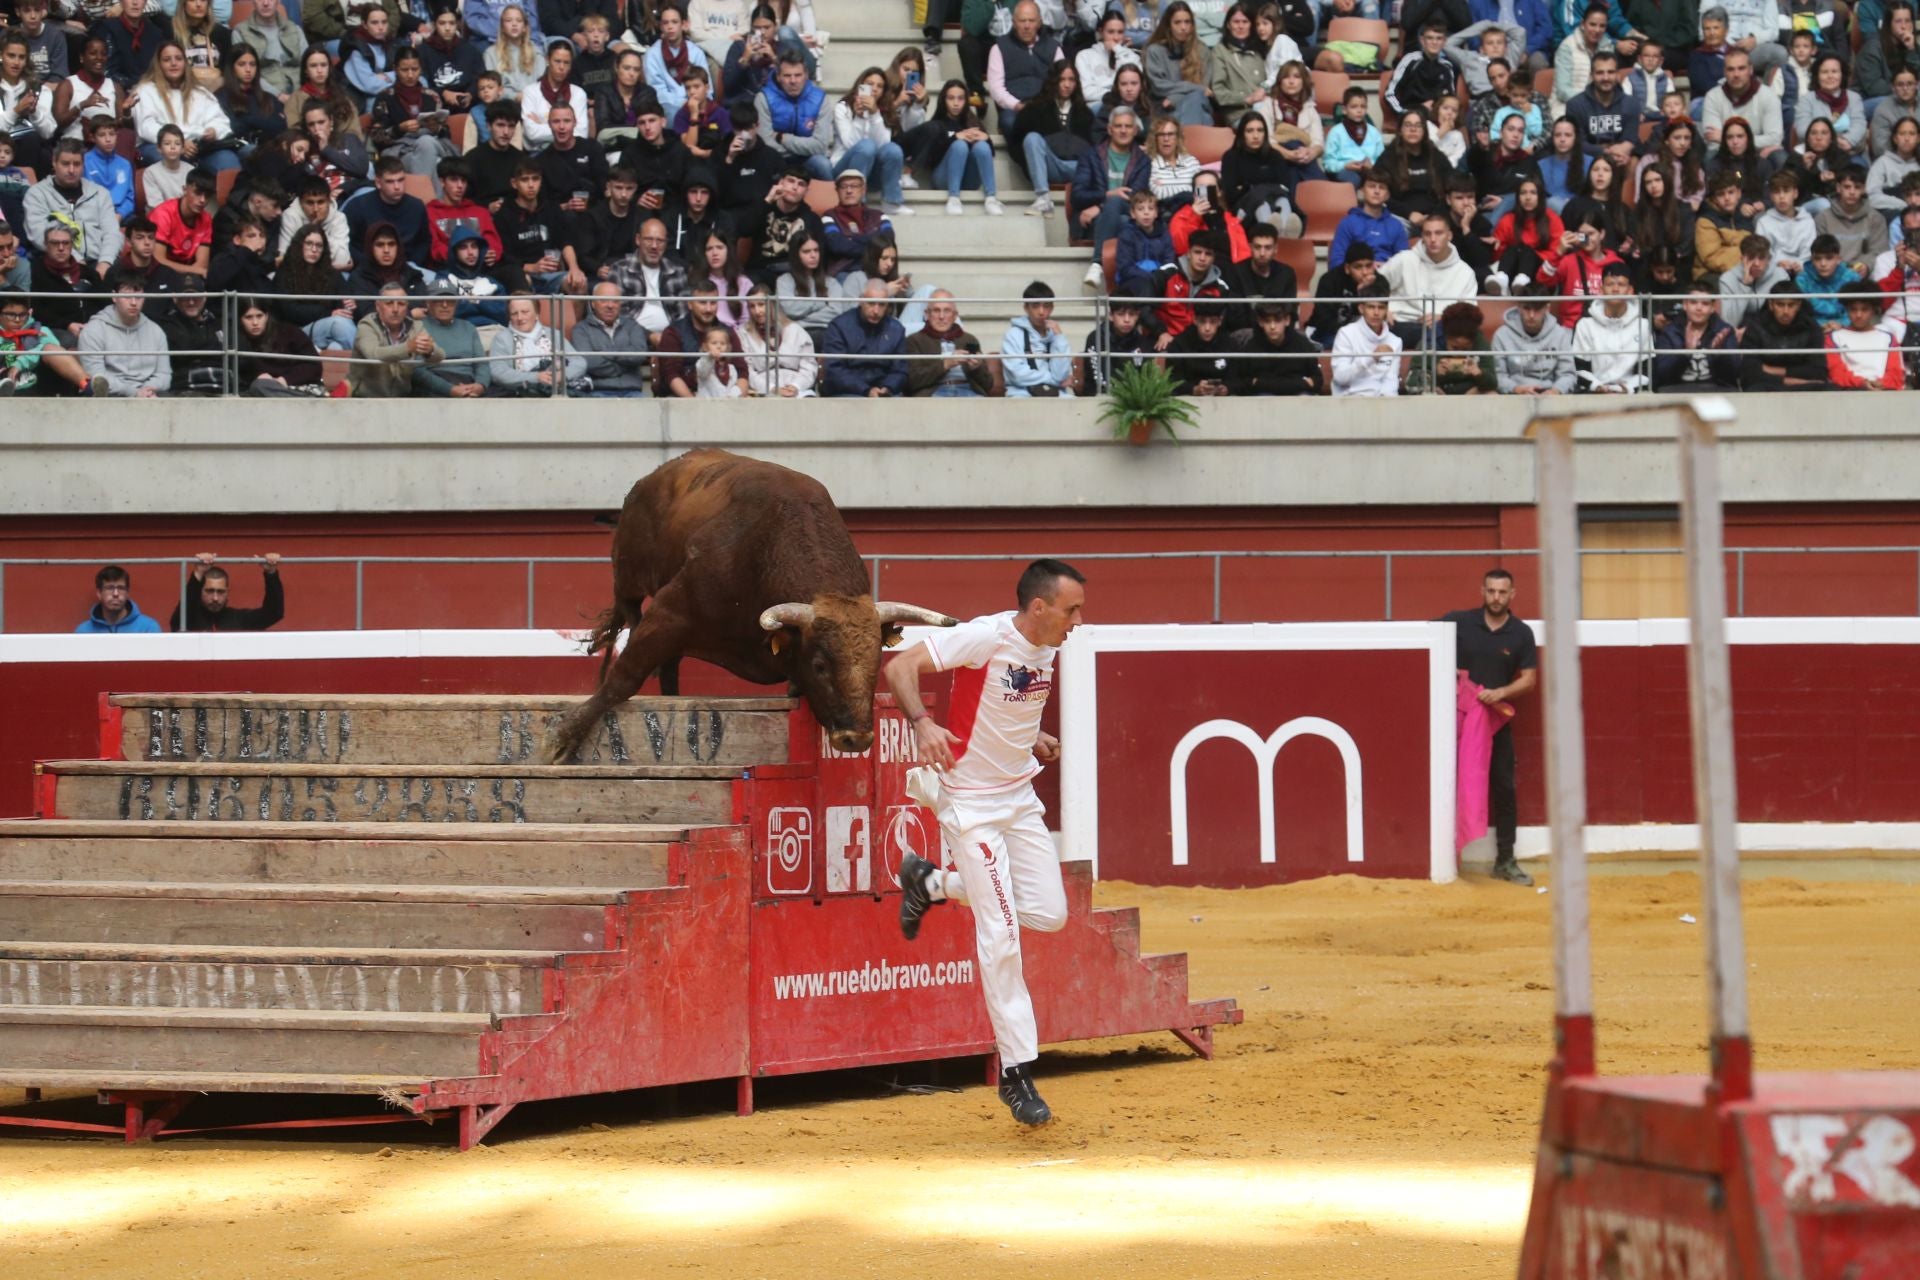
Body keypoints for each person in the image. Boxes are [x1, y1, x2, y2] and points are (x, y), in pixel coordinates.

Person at [889, 558, 1086, 1129]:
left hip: (1018, 797)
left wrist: (1036, 736)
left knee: (1048, 915)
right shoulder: (985, 636)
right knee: (1000, 934)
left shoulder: (1046, 647)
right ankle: (1017, 1070)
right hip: (972, 805)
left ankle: (930, 882)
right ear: (1040, 607)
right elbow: (902, 667)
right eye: (1071, 609)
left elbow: (1005, 706)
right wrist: (922, 723)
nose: (1078, 621)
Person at [1438, 568, 1538, 885]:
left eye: (1502, 592)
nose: (1496, 597)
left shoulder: (1521, 633)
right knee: (1446, 784)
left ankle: (1505, 860)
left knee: (1504, 787)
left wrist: (1501, 693)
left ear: (1512, 595)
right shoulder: (1459, 622)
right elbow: (1425, 644)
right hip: (1455, 720)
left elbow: (1529, 680)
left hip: (1494, 722)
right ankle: (1440, 856)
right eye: (1491, 591)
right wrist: (1446, 666)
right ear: (1482, 591)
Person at [23, 138, 122, 272]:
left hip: (100, 264)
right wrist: (77, 261)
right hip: (58, 264)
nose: (71, 170)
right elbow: (39, 234)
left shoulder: (100, 193)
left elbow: (112, 232)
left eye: (77, 164)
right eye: (65, 164)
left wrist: (104, 263)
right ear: (54, 162)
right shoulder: (37, 194)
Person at [1012, 62, 1093, 217]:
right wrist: (1030, 165)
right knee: (1032, 138)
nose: (1067, 85)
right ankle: (1043, 199)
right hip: (1050, 165)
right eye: (1062, 80)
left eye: (1071, 80)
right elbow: (1016, 141)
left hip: (1078, 168)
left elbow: (1095, 147)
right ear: (1053, 81)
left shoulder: (1085, 112)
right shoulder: (1035, 108)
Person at [1381, 213, 1478, 343]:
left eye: (1438, 233)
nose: (1433, 239)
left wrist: (1444, 318)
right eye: (1427, 234)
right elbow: (1373, 285)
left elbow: (1469, 313)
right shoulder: (1405, 259)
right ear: (1422, 237)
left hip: (1443, 328)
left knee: (1467, 335)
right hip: (1402, 324)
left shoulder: (1465, 272)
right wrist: (1382, 307)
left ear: (1449, 236)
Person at [78, 273, 170, 396]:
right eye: (127, 296)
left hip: (148, 393)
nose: (133, 303)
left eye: (138, 297)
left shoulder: (156, 331)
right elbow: (96, 377)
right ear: (114, 297)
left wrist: (146, 390)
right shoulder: (93, 330)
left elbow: (164, 375)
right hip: (110, 395)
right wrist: (134, 392)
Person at [990, 1, 1067, 136]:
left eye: (1031, 21)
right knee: (1009, 122)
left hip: (1046, 108)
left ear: (1039, 23)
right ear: (1014, 23)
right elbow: (996, 89)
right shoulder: (999, 48)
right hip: (1015, 109)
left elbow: (1062, 82)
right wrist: (1018, 106)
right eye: (1022, 21)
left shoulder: (1054, 48)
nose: (1027, 26)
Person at [352, 281, 442, 396]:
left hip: (402, 399)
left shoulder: (416, 325)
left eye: (401, 304)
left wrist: (430, 350)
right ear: (378, 306)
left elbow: (440, 356)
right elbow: (373, 354)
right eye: (389, 303)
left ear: (407, 306)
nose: (395, 309)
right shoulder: (366, 325)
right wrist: (408, 348)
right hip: (365, 399)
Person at [1572, 260, 1650, 390]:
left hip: (1631, 395)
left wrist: (1628, 387)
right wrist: (1596, 386)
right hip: (1594, 394)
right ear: (1601, 289)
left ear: (1630, 290)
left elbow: (1648, 370)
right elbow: (1578, 368)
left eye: (1621, 284)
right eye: (1609, 284)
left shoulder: (1643, 325)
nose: (1615, 289)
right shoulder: (1585, 324)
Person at [821, 280, 908, 396]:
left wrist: (888, 387)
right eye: (871, 303)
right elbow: (834, 370)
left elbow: (900, 370)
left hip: (885, 391)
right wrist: (866, 390)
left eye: (882, 305)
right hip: (848, 391)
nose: (876, 311)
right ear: (860, 300)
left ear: (888, 305)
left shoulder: (896, 329)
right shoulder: (839, 326)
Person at [609, 217, 689, 342]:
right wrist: (649, 336)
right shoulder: (619, 269)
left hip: (671, 340)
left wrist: (670, 339)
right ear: (638, 240)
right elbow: (619, 316)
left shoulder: (677, 272)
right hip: (630, 339)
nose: (654, 246)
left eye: (660, 241)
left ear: (666, 244)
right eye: (648, 239)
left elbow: (683, 316)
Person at [1738, 280, 1828, 387]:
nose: (1786, 311)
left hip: (1802, 389)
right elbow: (1749, 373)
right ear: (1771, 304)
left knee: (1828, 389)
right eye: (1780, 304)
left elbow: (1819, 372)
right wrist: (1796, 382)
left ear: (1799, 305)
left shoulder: (1811, 327)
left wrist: (1772, 370)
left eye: (1791, 305)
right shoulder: (1756, 327)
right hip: (1767, 388)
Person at [905, 288, 993, 395]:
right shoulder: (914, 340)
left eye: (947, 311)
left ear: (955, 315)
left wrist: (976, 368)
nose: (942, 317)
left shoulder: (969, 339)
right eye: (936, 310)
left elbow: (988, 385)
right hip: (934, 393)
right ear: (927, 314)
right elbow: (910, 382)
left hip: (968, 390)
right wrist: (945, 364)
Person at [572, 279, 653, 395]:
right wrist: (623, 366)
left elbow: (639, 355)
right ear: (593, 304)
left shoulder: (632, 325)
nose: (610, 305)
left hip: (632, 390)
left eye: (615, 301)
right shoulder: (581, 329)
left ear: (621, 304)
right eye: (604, 300)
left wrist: (606, 353)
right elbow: (588, 362)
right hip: (598, 391)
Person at [234, 294, 326, 394]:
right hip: (260, 390)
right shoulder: (236, 339)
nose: (255, 322)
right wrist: (258, 376)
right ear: (240, 319)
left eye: (259, 316)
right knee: (258, 386)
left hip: (298, 388)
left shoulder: (289, 332)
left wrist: (283, 380)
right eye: (248, 317)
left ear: (267, 316)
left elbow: (313, 366)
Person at [169, 553, 286, 632]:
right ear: (200, 591)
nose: (215, 598)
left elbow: (273, 613)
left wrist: (271, 574)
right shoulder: (188, 620)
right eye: (210, 591)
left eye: (220, 592)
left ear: (227, 592)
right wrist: (198, 574)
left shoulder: (239, 619)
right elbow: (177, 621)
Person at [413, 282, 493, 396]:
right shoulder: (418, 327)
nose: (445, 305)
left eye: (450, 300)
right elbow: (416, 370)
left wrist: (480, 385)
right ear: (428, 303)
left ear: (456, 303)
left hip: (469, 385)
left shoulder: (468, 327)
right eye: (438, 300)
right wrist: (449, 389)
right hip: (434, 387)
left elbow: (481, 364)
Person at [1824, 278, 1907, 387]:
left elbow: (1896, 373)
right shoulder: (1834, 337)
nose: (1859, 314)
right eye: (1853, 309)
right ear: (1847, 310)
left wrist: (1882, 384)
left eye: (1865, 309)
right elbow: (1836, 373)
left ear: (1874, 310)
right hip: (1847, 394)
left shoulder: (1888, 338)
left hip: (1884, 394)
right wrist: (1862, 383)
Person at [1653, 285, 1741, 387]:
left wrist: (1719, 354)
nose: (1699, 308)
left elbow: (1735, 373)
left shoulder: (1724, 331)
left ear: (1713, 308)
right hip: (1676, 391)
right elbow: (1662, 375)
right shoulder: (1669, 332)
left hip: (1716, 391)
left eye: (1705, 303)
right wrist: (1686, 352)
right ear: (1685, 305)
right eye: (1693, 302)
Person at [738, 284, 818, 395]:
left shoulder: (795, 330)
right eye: (752, 306)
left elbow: (809, 367)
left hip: (796, 388)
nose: (757, 311)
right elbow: (748, 371)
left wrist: (796, 386)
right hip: (762, 389)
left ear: (772, 304)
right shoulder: (743, 333)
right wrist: (772, 389)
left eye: (761, 304)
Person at [1227, 299, 1321, 393]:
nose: (1272, 326)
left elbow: (1317, 382)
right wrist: (1302, 383)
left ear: (1287, 320)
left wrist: (1259, 383)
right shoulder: (1251, 347)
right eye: (1267, 321)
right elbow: (1241, 383)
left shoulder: (1303, 344)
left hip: (1298, 398)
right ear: (1260, 322)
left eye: (1278, 320)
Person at [1001, 280, 1077, 395]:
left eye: (1046, 306)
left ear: (1052, 308)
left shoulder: (1056, 335)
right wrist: (1053, 380)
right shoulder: (1013, 335)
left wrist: (1060, 339)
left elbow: (1061, 375)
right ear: (1026, 308)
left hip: (1054, 393)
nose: (1041, 312)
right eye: (1035, 306)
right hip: (1022, 393)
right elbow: (1018, 376)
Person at [1330, 283, 1401, 396]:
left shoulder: (1395, 341)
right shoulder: (1346, 333)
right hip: (1348, 401)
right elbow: (1340, 377)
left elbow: (1390, 382)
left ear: (1387, 310)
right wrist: (1371, 357)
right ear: (1361, 308)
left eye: (1381, 307)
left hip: (1381, 405)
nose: (1376, 313)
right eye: (1371, 307)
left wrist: (1387, 407)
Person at [76, 565, 164, 634]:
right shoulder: (84, 631)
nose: (115, 594)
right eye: (109, 588)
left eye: (121, 588)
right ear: (99, 593)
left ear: (127, 593)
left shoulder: (148, 628)